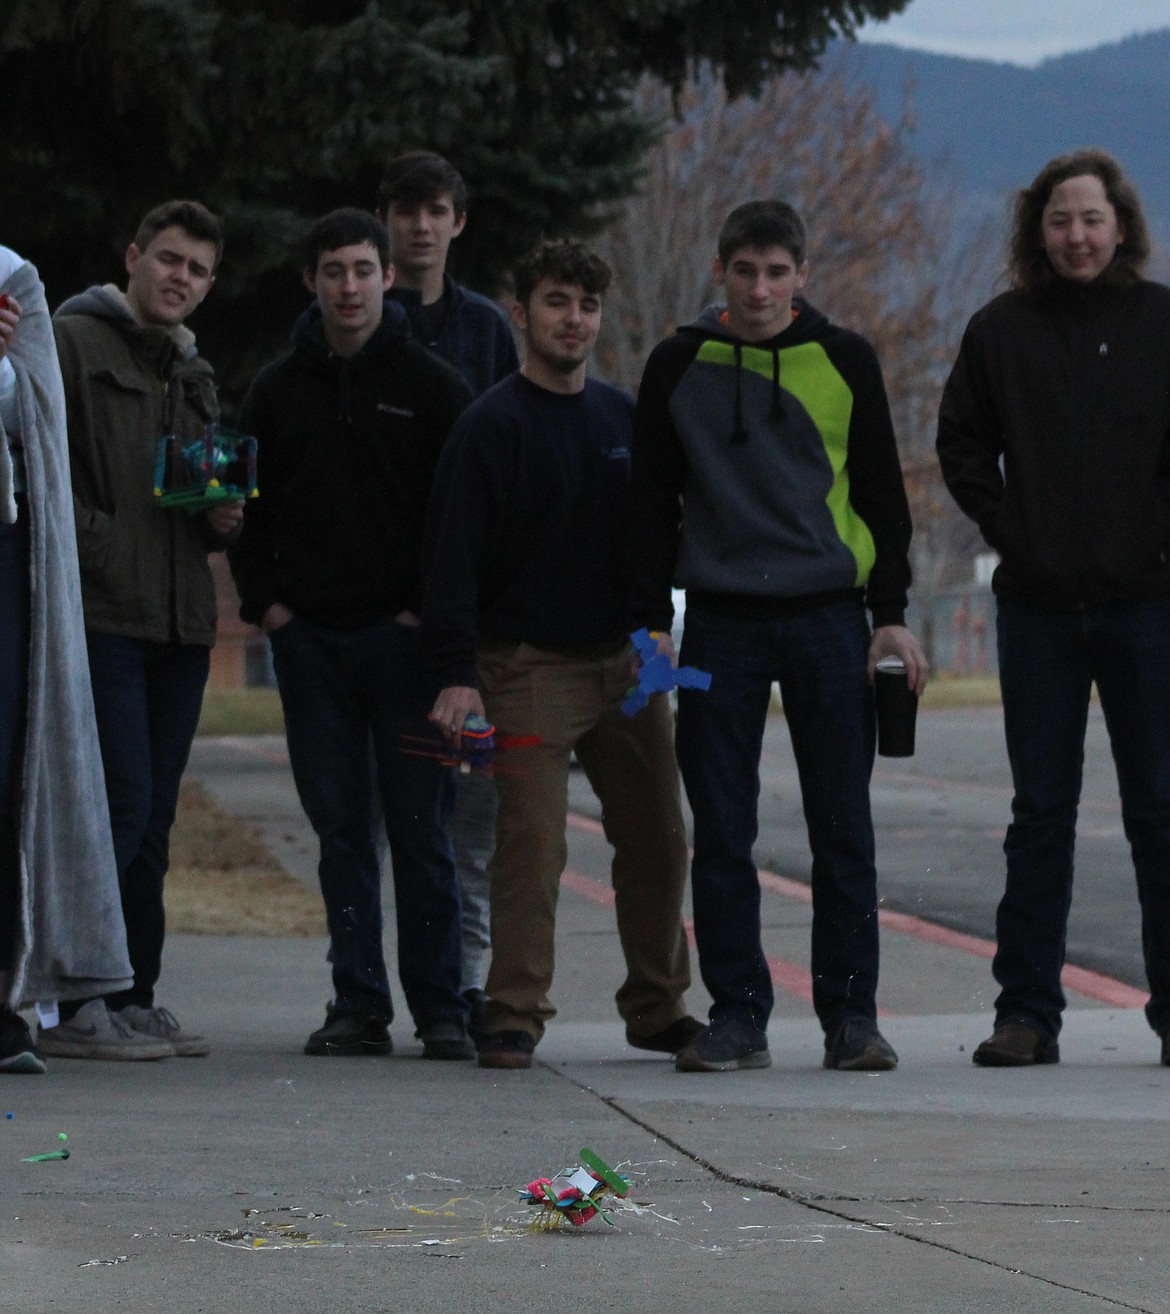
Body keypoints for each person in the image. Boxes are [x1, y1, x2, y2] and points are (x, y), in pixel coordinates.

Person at [630, 200, 927, 1074]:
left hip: (828, 617)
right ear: (720, 272)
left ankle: (852, 1018)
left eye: (776, 272)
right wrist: (652, 632)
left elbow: (881, 495)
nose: (760, 289)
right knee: (721, 828)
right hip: (719, 621)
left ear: (802, 275)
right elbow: (648, 508)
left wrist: (892, 612)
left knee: (843, 826)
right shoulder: (677, 365)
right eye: (744, 271)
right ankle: (738, 1016)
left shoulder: (844, 361)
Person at [423, 239, 698, 1070]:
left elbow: (658, 540)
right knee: (533, 843)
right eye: (555, 303)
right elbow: (452, 560)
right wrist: (456, 676)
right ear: (521, 313)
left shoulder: (624, 420)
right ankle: (512, 1013)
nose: (571, 319)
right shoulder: (489, 427)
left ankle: (658, 1006)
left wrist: (657, 633)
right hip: (526, 665)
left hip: (623, 664)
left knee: (659, 835)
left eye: (585, 306)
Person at [937, 148, 1170, 1069]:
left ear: (1122, 227)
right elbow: (960, 443)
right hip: (1036, 608)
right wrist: (1015, 528)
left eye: (1093, 218)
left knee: (1159, 809)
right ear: (1039, 230)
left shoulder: (1161, 323)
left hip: (1148, 606)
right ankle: (1027, 1013)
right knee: (1041, 813)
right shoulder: (1000, 331)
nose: (1078, 236)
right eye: (1060, 220)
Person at [229, 208, 474, 1060]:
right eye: (333, 270)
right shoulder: (275, 390)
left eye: (363, 270)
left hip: (405, 646)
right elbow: (246, 511)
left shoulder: (436, 387)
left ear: (386, 278)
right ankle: (357, 1003)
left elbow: (460, 520)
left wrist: (428, 618)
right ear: (311, 281)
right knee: (340, 832)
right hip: (311, 645)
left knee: (422, 832)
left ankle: (442, 1007)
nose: (349, 286)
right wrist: (269, 607)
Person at [37, 201, 239, 1062]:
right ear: (133, 257)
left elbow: (197, 501)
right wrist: (106, 544)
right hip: (102, 614)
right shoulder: (71, 342)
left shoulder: (194, 374)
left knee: (153, 817)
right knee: (112, 807)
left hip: (180, 623)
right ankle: (77, 1001)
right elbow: (42, 462)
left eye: (196, 269)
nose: (179, 278)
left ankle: (134, 994)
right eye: (168, 259)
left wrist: (224, 514)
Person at [377, 152, 519, 1020]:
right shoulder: (355, 320)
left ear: (457, 223)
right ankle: (372, 990)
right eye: (405, 210)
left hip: (471, 611)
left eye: (436, 210)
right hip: (381, 615)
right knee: (386, 821)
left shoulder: (486, 333)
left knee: (472, 812)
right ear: (385, 220)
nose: (421, 226)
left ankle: (467, 985)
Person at [0, 246, 134, 1074]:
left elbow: (31, 414)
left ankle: (9, 997)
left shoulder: (14, 281)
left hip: (8, 551)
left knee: (12, 770)